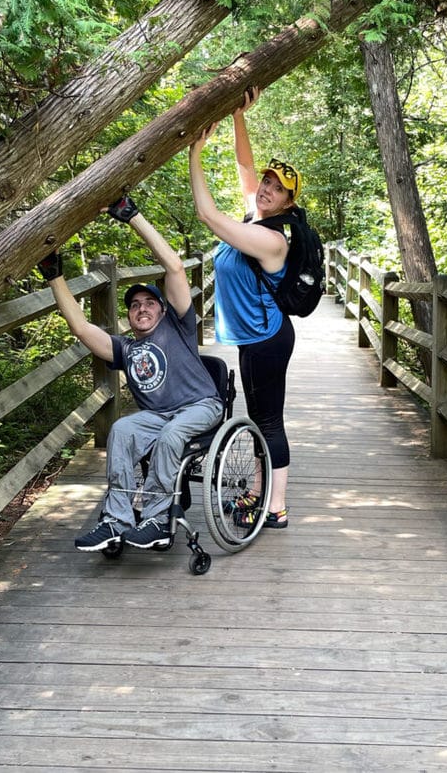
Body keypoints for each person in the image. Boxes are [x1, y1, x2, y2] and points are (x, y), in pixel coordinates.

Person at [37, 195, 223, 552]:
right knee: (121, 428)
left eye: (150, 303)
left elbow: (174, 267)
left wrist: (132, 217)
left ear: (163, 310)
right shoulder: (125, 348)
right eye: (134, 305)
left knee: (171, 434)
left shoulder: (179, 326)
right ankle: (117, 520)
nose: (141, 308)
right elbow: (80, 327)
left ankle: (157, 520)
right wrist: (54, 275)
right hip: (157, 415)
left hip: (201, 405)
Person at [188, 86, 298, 529]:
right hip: (260, 337)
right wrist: (238, 116)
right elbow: (245, 169)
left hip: (265, 341)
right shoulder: (257, 216)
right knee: (262, 418)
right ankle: (260, 491)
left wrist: (195, 154)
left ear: (289, 203)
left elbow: (208, 216)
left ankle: (275, 506)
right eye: (267, 184)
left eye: (277, 189)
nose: (266, 190)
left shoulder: (270, 239)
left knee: (267, 422)